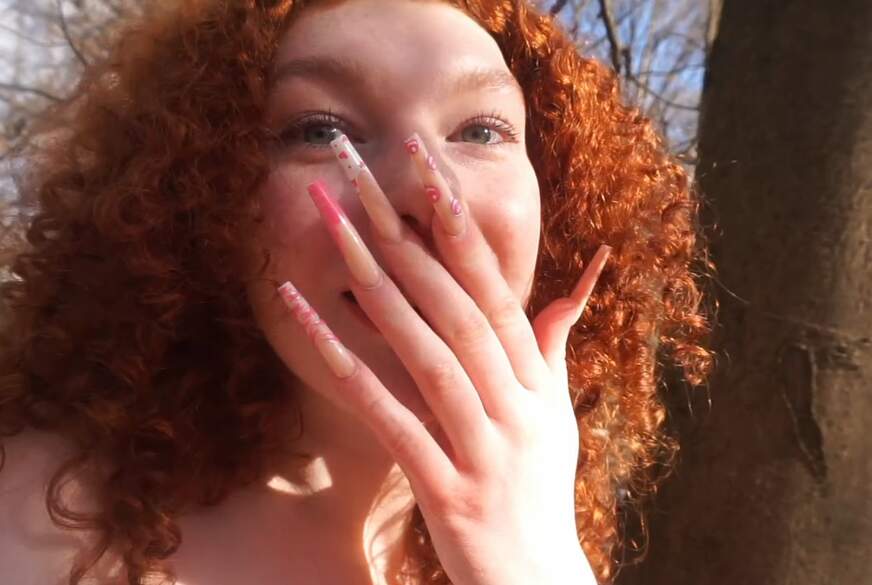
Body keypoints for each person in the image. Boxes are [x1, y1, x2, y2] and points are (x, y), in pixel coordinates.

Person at [0, 0, 713, 584]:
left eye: (480, 130)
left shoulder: (557, 526)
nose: (422, 189)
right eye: (322, 130)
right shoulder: (47, 520)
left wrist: (535, 565)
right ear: (203, 203)